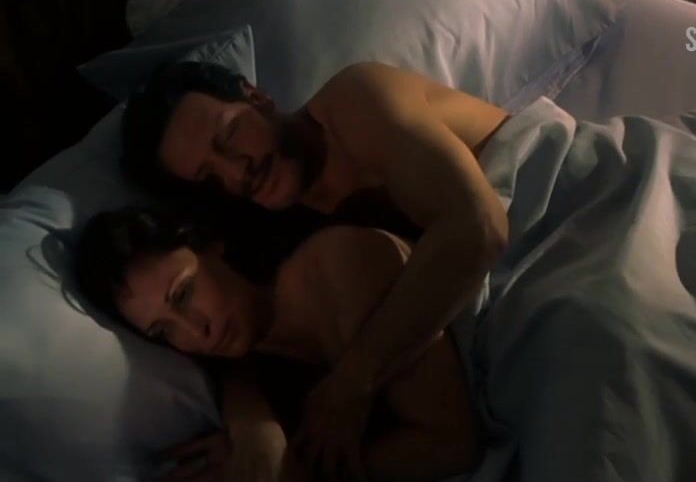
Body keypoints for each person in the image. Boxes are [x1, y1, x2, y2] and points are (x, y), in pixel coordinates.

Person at [122, 60, 510, 474]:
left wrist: (353, 379)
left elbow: (480, 227)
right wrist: (253, 427)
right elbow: (243, 334)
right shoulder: (274, 223)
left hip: (541, 200)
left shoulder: (351, 103)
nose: (236, 172)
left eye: (229, 134)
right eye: (210, 177)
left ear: (255, 96)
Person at [74, 206, 481, 481]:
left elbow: (453, 443)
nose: (196, 333)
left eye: (184, 294)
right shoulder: (244, 382)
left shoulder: (334, 266)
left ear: (211, 247)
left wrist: (292, 471)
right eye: (163, 331)